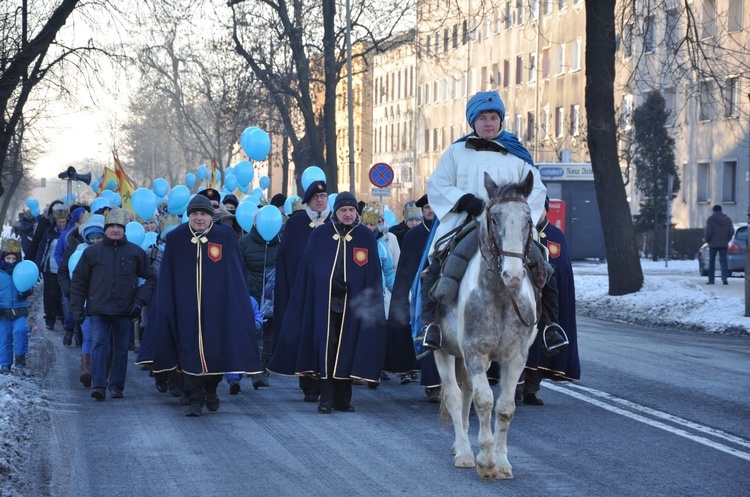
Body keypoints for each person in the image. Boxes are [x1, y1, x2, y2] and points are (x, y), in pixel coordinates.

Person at [418, 90, 567, 354]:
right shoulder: (456, 152)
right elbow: (437, 185)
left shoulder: (517, 154)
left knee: (541, 265)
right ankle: (431, 325)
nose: (489, 123)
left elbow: (537, 190)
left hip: (508, 229)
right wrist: (463, 200)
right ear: (473, 121)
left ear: (501, 120)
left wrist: (518, 220)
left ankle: (549, 325)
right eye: (483, 118)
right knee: (440, 262)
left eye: (494, 117)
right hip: (467, 223)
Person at [141, 194, 263, 417]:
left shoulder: (225, 237)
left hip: (217, 310)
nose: (199, 218)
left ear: (211, 216)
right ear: (189, 216)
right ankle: (195, 399)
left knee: (215, 353)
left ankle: (211, 390)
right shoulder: (177, 238)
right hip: (186, 310)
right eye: (195, 214)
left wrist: (236, 304)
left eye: (204, 214)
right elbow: (168, 277)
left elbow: (235, 275)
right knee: (188, 353)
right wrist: (169, 306)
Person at [268, 192, 387, 414]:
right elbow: (311, 270)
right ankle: (327, 397)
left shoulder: (365, 237)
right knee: (328, 348)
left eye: (351, 210)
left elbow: (372, 275)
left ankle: (343, 398)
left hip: (354, 306)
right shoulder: (321, 234)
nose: (348, 214)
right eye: (343, 210)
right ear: (336, 212)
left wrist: (357, 286)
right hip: (326, 304)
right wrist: (331, 283)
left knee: (348, 348)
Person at [70, 207, 157, 401]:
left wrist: (139, 302)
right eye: (112, 226)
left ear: (124, 229)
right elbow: (79, 280)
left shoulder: (135, 252)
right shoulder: (92, 252)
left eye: (119, 226)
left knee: (120, 349)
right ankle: (99, 385)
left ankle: (117, 386)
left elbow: (150, 279)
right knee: (99, 344)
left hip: (125, 309)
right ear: (106, 229)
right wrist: (77, 306)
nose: (115, 230)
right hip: (98, 309)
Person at [517, 198, 581, 405]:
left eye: (539, 209)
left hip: (546, 299)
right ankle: (515, 386)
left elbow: (561, 270)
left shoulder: (555, 236)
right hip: (521, 297)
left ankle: (531, 389)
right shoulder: (518, 233)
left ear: (545, 211)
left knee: (542, 342)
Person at [272, 179, 331, 403]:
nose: (319, 200)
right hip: (301, 293)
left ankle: (325, 382)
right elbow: (286, 258)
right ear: (307, 200)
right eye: (315, 197)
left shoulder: (333, 223)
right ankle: (308, 384)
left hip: (327, 293)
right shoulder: (296, 224)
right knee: (304, 337)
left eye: (323, 197)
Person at [238, 214, 281, 389]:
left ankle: (263, 369)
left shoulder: (281, 242)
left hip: (272, 295)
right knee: (253, 331)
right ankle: (252, 368)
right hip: (251, 294)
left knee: (270, 331)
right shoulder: (244, 243)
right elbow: (238, 267)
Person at [0, 238, 32, 375]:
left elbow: (29, 285)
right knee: (4, 337)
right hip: (3, 310)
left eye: (14, 258)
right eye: (8, 258)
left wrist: (26, 292)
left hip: (20, 309)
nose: (11, 261)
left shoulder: (21, 271)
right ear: (3, 258)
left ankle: (20, 359)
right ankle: (5, 364)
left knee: (20, 332)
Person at [35, 204, 69, 331]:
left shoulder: (69, 233)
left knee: (64, 295)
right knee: (51, 295)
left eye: (63, 221)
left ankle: (65, 318)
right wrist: (39, 266)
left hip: (65, 269)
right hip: (50, 269)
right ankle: (50, 319)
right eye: (59, 222)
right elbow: (42, 251)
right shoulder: (49, 233)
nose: (61, 224)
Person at [704, 205, 734, 285]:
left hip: (713, 244)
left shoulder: (710, 220)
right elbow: (731, 231)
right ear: (721, 210)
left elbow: (708, 232)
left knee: (712, 261)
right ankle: (724, 279)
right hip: (724, 244)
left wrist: (708, 240)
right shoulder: (727, 219)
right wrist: (727, 239)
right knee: (723, 261)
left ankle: (711, 280)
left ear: (713, 211)